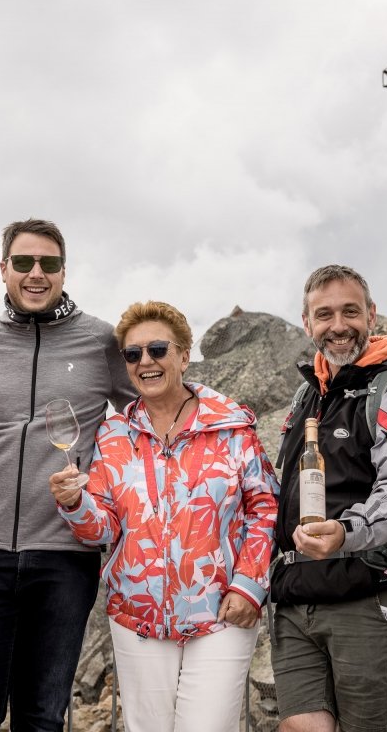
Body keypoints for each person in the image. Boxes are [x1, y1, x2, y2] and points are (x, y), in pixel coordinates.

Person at [0, 218, 137, 731]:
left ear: (63, 271)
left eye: (48, 264)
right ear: (3, 269)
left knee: (41, 718)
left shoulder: (101, 341)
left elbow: (149, 413)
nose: (35, 273)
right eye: (23, 262)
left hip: (66, 558)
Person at [49, 300, 278, 732]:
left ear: (184, 355)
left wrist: (249, 587)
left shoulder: (231, 426)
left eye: (157, 349)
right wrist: (74, 503)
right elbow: (103, 528)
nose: (145, 362)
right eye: (133, 355)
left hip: (221, 614)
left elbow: (265, 507)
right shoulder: (112, 434)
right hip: (137, 616)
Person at [270, 265, 387, 732]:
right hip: (297, 599)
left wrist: (345, 533)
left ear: (372, 314)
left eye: (350, 311)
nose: (338, 325)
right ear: (307, 324)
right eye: (324, 314)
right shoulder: (308, 394)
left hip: (367, 596)